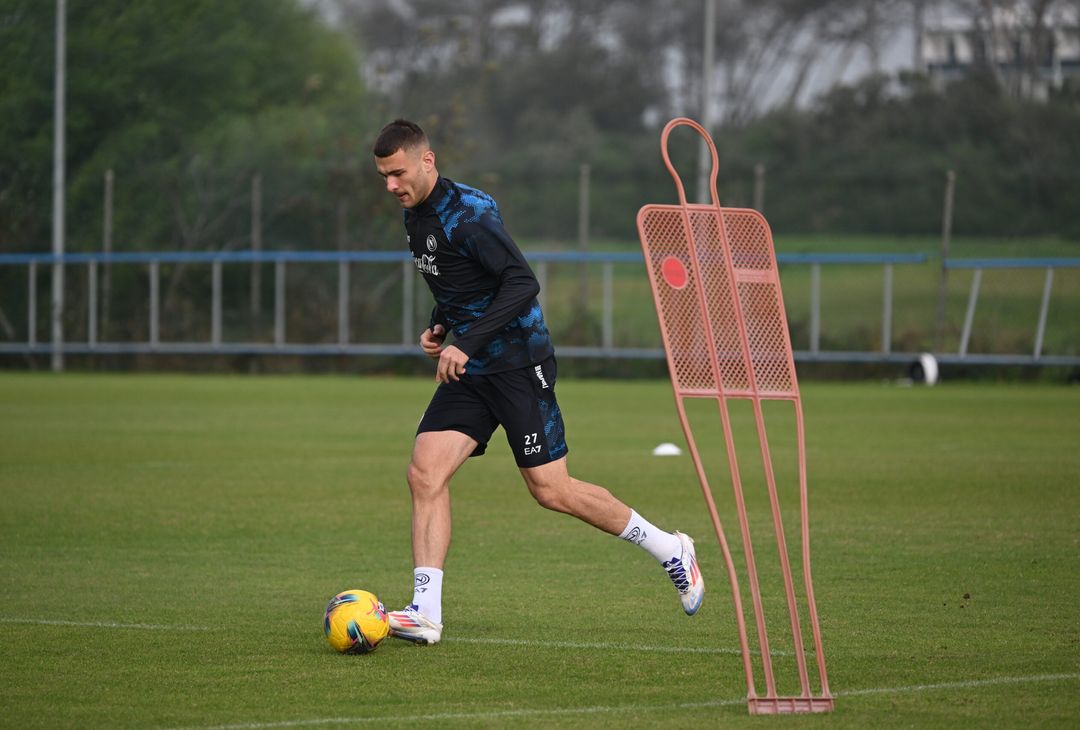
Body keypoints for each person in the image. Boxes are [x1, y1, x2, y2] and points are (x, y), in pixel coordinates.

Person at [371, 119, 703, 645]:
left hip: (519, 365)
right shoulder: (416, 216)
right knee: (424, 473)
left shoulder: (471, 214)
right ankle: (425, 612)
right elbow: (462, 281)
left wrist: (466, 341)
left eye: (398, 173)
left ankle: (668, 548)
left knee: (551, 490)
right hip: (473, 367)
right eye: (384, 176)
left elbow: (521, 282)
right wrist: (442, 325)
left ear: (427, 161)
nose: (391, 185)